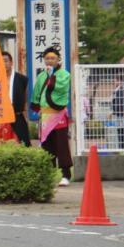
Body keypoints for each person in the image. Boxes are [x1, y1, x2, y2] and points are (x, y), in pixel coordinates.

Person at [32, 46, 72, 186]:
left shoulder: (64, 74)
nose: (50, 60)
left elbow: (61, 88)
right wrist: (37, 106)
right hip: (45, 114)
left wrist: (51, 77)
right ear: (44, 60)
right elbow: (37, 91)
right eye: (47, 58)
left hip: (58, 114)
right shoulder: (41, 75)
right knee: (46, 145)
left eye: (53, 58)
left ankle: (65, 174)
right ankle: (48, 174)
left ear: (58, 59)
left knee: (61, 144)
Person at [1, 52, 32, 147]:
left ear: (11, 62)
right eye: (1, 61)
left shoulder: (22, 79)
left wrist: (26, 115)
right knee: (2, 144)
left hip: (17, 115)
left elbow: (26, 99)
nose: (4, 64)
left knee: (24, 143)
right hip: (2, 116)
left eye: (5, 61)